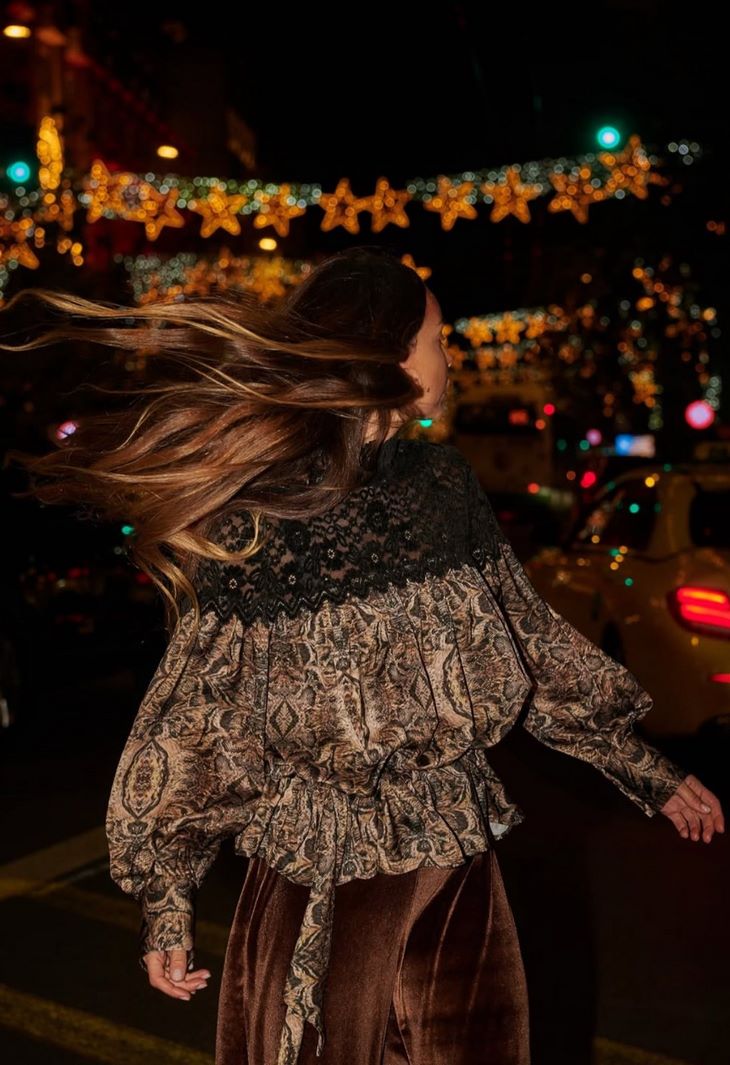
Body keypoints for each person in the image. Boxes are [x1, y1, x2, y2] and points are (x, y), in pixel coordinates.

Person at [2, 246, 724, 1065]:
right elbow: (198, 717)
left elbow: (532, 645)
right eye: (438, 339)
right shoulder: (261, 513)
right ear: (393, 356)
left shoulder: (442, 486)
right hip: (314, 881)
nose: (449, 357)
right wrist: (166, 901)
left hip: (452, 874)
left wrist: (646, 770)